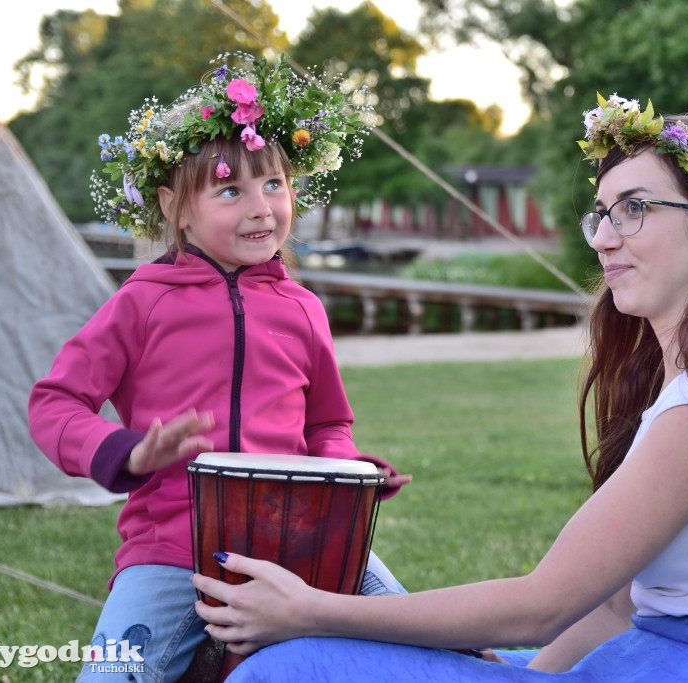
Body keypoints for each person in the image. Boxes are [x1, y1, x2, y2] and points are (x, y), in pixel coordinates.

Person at [190, 92, 688, 682]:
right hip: (650, 657)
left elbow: (544, 604)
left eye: (633, 209)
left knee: (287, 668)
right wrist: (516, 671)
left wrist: (311, 609)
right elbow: (614, 605)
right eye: (600, 213)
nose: (604, 237)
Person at [28, 53, 411, 682]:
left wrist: (345, 470)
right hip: (174, 552)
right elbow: (55, 403)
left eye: (275, 185)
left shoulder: (304, 308)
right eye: (231, 189)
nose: (261, 207)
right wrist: (125, 451)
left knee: (421, 639)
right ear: (176, 208)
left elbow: (327, 425)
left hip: (305, 545)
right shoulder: (142, 302)